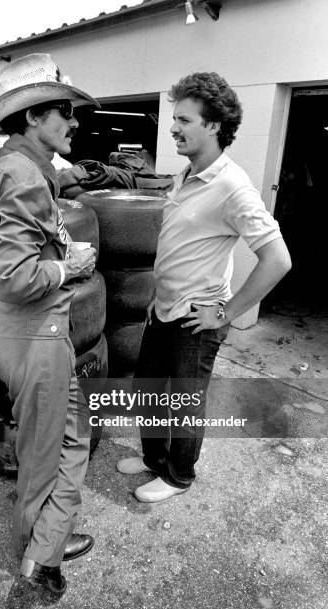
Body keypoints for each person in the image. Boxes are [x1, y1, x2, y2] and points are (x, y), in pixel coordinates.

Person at [117, 72, 292, 503]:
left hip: (197, 319)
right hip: (165, 308)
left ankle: (179, 475)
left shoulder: (232, 186)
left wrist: (226, 312)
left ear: (214, 125)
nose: (173, 127)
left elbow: (278, 259)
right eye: (173, 118)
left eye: (184, 119)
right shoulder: (186, 174)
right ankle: (155, 458)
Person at [0, 53, 99, 596]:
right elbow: (13, 277)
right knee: (59, 451)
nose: (74, 122)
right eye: (63, 112)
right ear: (32, 117)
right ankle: (40, 560)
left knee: (53, 444)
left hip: (24, 337)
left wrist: (60, 246)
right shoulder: (25, 174)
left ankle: (42, 540)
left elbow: (22, 243)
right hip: (36, 339)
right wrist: (66, 266)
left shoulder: (17, 166)